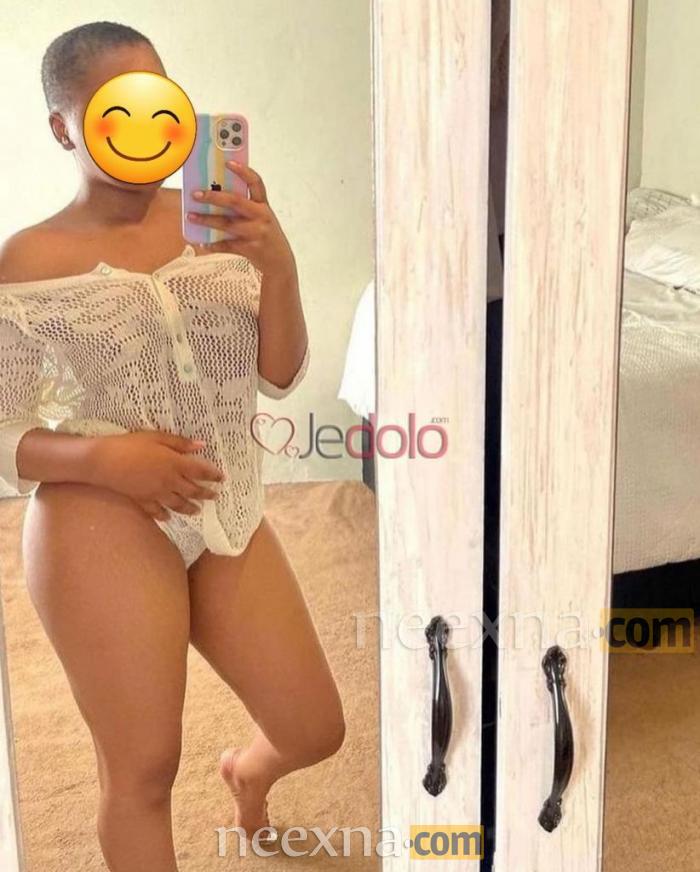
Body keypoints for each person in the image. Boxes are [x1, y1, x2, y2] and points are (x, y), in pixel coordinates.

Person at [0, 21, 345, 871]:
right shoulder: (29, 259)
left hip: (225, 503)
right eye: (116, 109)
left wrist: (278, 263)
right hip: (97, 519)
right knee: (143, 771)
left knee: (315, 728)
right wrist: (106, 460)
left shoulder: (221, 222)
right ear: (64, 128)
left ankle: (247, 772)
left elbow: (279, 375)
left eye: (161, 103)